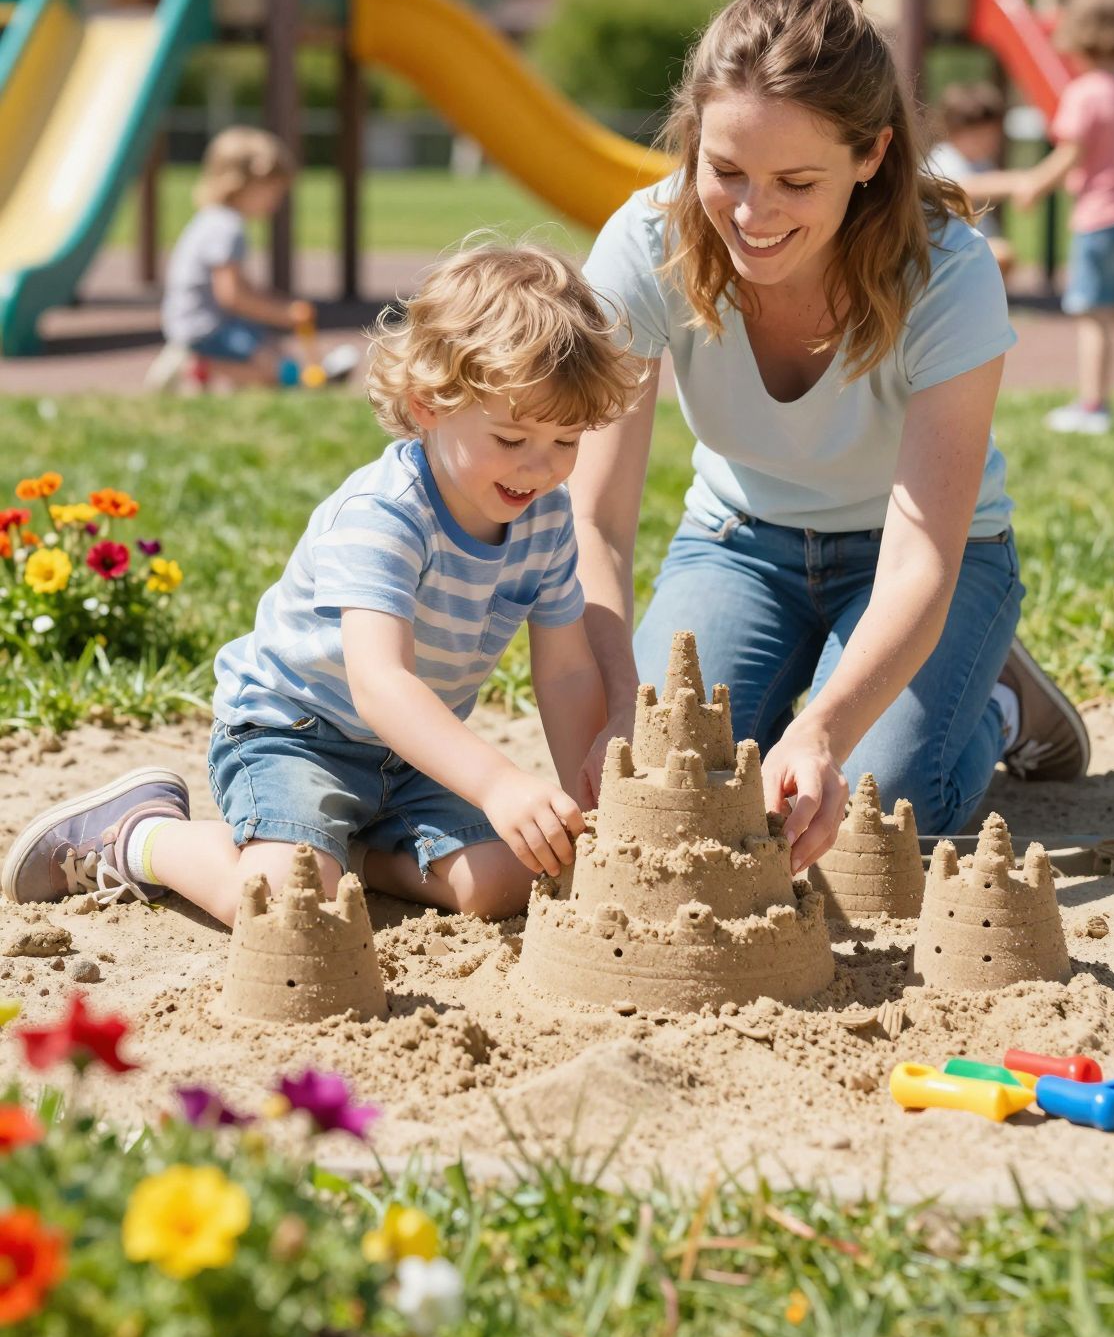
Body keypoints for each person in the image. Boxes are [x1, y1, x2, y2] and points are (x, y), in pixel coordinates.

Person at [571, 0, 1089, 878]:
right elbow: (596, 520)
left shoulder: (949, 270)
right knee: (664, 775)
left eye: (796, 182)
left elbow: (924, 556)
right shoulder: (645, 244)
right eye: (725, 170)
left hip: (921, 560)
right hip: (738, 546)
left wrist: (823, 732)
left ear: (872, 155)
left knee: (872, 823)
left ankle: (999, 702)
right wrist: (622, 701)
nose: (751, 214)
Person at [3, 244, 640, 924]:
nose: (539, 469)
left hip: (409, 759)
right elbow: (381, 685)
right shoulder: (385, 516)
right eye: (512, 440)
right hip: (293, 736)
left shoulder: (542, 518)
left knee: (520, 875)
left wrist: (594, 810)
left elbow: (569, 673)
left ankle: (352, 852)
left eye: (566, 442)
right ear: (428, 404)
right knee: (285, 904)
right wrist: (497, 781)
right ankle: (137, 835)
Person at [1005, 0, 1114, 434]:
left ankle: (1093, 405)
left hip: (1101, 219)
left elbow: (1070, 153)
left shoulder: (1086, 92)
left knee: (1093, 314)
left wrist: (1034, 185)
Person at [157, 127, 316, 389]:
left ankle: (211, 370)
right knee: (278, 371)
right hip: (204, 327)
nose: (277, 201)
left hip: (197, 320)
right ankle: (200, 367)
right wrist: (283, 313)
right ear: (245, 185)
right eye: (274, 191)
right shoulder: (227, 228)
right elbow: (231, 295)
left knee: (274, 350)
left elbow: (240, 286)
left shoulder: (213, 218)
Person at [926, 82, 1015, 279]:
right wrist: (1019, 182)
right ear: (960, 132)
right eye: (985, 134)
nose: (993, 141)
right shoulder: (944, 158)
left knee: (1001, 252)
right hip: (942, 250)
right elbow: (963, 187)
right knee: (1000, 253)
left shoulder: (981, 163)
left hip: (965, 245)